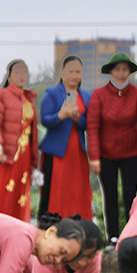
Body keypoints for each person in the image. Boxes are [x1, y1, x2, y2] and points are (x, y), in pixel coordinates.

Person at [86, 52, 137, 250]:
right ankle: (113, 238)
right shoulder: (99, 95)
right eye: (117, 69)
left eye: (125, 69)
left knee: (131, 195)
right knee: (109, 195)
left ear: (130, 72)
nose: (121, 73)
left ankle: (131, 234)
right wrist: (94, 156)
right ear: (110, 71)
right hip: (105, 154)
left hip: (131, 152)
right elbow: (92, 127)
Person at [0, 59, 39, 220]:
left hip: (24, 155)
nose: (22, 75)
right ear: (9, 76)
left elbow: (33, 133)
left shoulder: (29, 101)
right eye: (17, 72)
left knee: (20, 196)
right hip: (5, 154)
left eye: (25, 71)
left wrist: (34, 161)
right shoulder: (0, 95)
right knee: (0, 194)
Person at [38, 55, 93, 219]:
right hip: (57, 152)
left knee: (78, 190)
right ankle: (51, 225)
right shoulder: (52, 93)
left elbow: (89, 124)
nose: (74, 76)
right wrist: (61, 116)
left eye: (78, 71)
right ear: (62, 72)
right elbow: (45, 120)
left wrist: (77, 119)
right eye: (70, 71)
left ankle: (80, 227)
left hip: (78, 151)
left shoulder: (86, 96)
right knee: (55, 190)